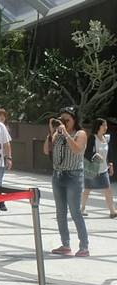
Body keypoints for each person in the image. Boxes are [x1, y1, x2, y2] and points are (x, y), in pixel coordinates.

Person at [43, 107, 89, 257]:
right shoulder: (57, 134)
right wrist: (51, 132)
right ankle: (65, 245)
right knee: (60, 212)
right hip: (58, 175)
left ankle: (84, 246)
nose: (64, 123)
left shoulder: (80, 134)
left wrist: (66, 134)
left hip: (73, 176)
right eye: (62, 120)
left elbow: (77, 149)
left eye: (67, 120)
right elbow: (46, 150)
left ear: (74, 120)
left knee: (75, 212)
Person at [82, 118, 116, 218]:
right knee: (87, 189)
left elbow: (109, 152)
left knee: (108, 189)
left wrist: (110, 164)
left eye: (106, 125)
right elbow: (87, 153)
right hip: (92, 169)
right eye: (103, 125)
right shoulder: (93, 138)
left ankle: (112, 211)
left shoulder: (106, 138)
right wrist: (95, 155)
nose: (106, 127)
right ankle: (82, 208)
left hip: (103, 169)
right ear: (98, 126)